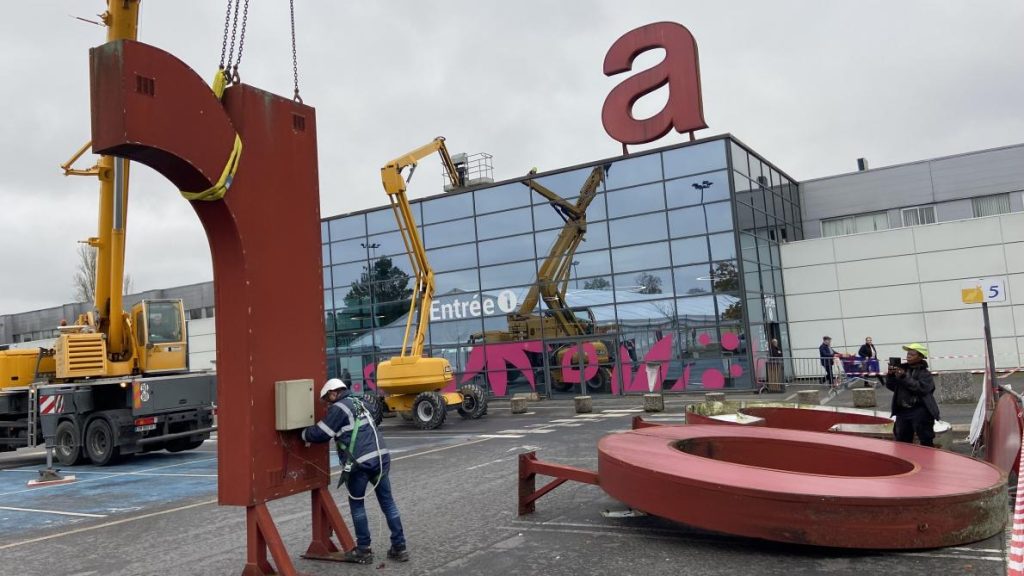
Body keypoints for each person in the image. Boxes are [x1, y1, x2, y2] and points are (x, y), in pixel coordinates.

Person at [301, 378, 408, 564]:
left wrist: (301, 434)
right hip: (381, 458)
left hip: (360, 463)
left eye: (327, 399)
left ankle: (364, 550)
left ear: (334, 393)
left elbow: (321, 433)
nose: (327, 403)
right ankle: (400, 548)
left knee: (357, 504)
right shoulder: (362, 403)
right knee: (388, 503)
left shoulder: (339, 408)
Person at [882, 343, 940, 447]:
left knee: (926, 439)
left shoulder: (925, 373)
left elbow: (921, 389)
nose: (908, 356)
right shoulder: (902, 369)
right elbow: (892, 387)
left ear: (921, 357)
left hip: (920, 410)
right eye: (908, 353)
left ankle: (927, 461)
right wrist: (891, 376)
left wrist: (904, 377)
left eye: (912, 354)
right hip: (903, 411)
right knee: (902, 441)